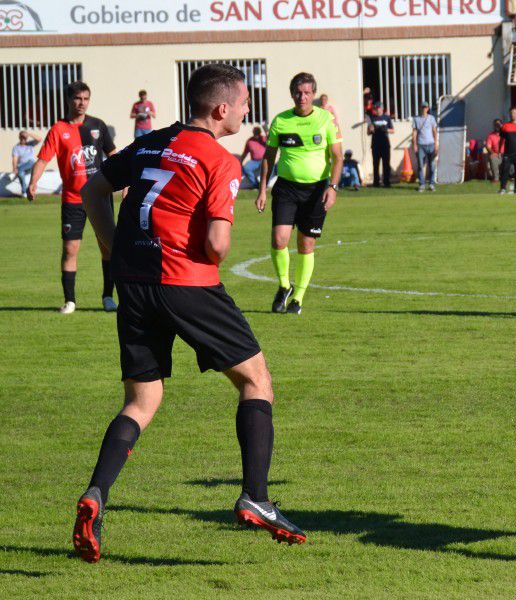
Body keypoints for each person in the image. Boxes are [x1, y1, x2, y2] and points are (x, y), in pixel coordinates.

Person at [73, 64, 308, 564]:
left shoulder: (153, 141)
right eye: (244, 103)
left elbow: (94, 189)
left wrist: (113, 248)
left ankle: (95, 495)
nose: (247, 111)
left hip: (134, 285)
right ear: (222, 109)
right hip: (187, 285)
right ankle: (256, 497)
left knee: (141, 400)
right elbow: (217, 247)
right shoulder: (221, 162)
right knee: (256, 380)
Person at [256, 72, 343, 316]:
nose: (302, 97)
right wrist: (263, 189)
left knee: (306, 244)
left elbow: (337, 157)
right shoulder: (281, 121)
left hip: (316, 190)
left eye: (307, 93)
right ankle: (284, 285)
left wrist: (333, 188)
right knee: (279, 239)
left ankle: (298, 297)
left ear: (313, 95)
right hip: (286, 188)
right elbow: (269, 157)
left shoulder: (326, 119)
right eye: (298, 92)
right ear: (292, 93)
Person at [28, 81, 117, 314]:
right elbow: (42, 159)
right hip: (73, 199)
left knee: (108, 247)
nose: (82, 103)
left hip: (100, 197)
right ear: (69, 100)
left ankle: (108, 297)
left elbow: (114, 154)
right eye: (78, 98)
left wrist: (125, 180)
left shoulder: (98, 126)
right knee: (70, 249)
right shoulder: (58, 130)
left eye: (86, 98)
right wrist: (33, 182)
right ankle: (70, 301)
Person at [411, 102, 439, 192]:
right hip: (421, 144)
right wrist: (414, 144)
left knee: (432, 165)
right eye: (423, 107)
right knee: (420, 165)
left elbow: (434, 131)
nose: (424, 109)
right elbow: (414, 132)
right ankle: (422, 184)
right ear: (421, 108)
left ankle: (431, 184)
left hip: (431, 144)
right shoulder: (416, 119)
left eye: (425, 107)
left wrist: (436, 144)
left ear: (428, 108)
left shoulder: (431, 118)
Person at [367, 102, 393, 188]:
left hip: (385, 144)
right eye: (375, 108)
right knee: (376, 164)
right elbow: (368, 132)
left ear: (382, 108)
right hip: (375, 144)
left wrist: (386, 129)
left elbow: (392, 130)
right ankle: (376, 182)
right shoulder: (372, 118)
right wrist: (371, 130)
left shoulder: (387, 118)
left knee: (386, 164)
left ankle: (386, 182)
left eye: (378, 108)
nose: (377, 110)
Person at [12, 130, 41, 197]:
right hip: (22, 166)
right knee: (20, 174)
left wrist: (28, 134)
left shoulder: (30, 144)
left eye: (24, 138)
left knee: (25, 166)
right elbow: (15, 159)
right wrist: (14, 168)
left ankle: (27, 190)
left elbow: (39, 139)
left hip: (31, 164)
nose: (23, 139)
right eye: (22, 137)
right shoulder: (16, 147)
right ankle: (24, 192)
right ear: (19, 137)